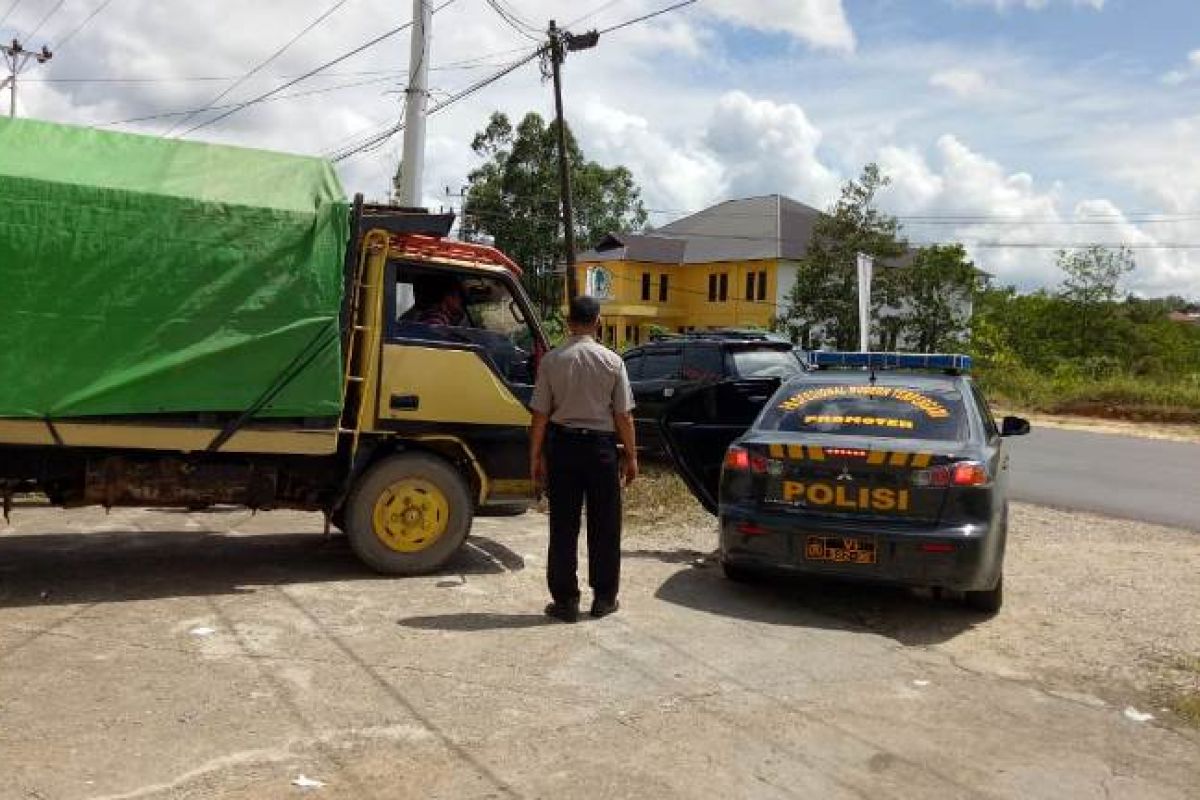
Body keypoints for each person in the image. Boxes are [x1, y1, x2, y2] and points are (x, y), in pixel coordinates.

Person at [529, 295, 638, 623]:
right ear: (598, 322)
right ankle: (604, 599)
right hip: (601, 451)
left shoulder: (552, 360)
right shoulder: (612, 361)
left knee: (563, 526)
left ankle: (565, 602)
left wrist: (535, 456)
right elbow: (624, 417)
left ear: (568, 322)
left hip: (562, 448)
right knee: (605, 526)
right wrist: (631, 456)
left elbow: (539, 416)